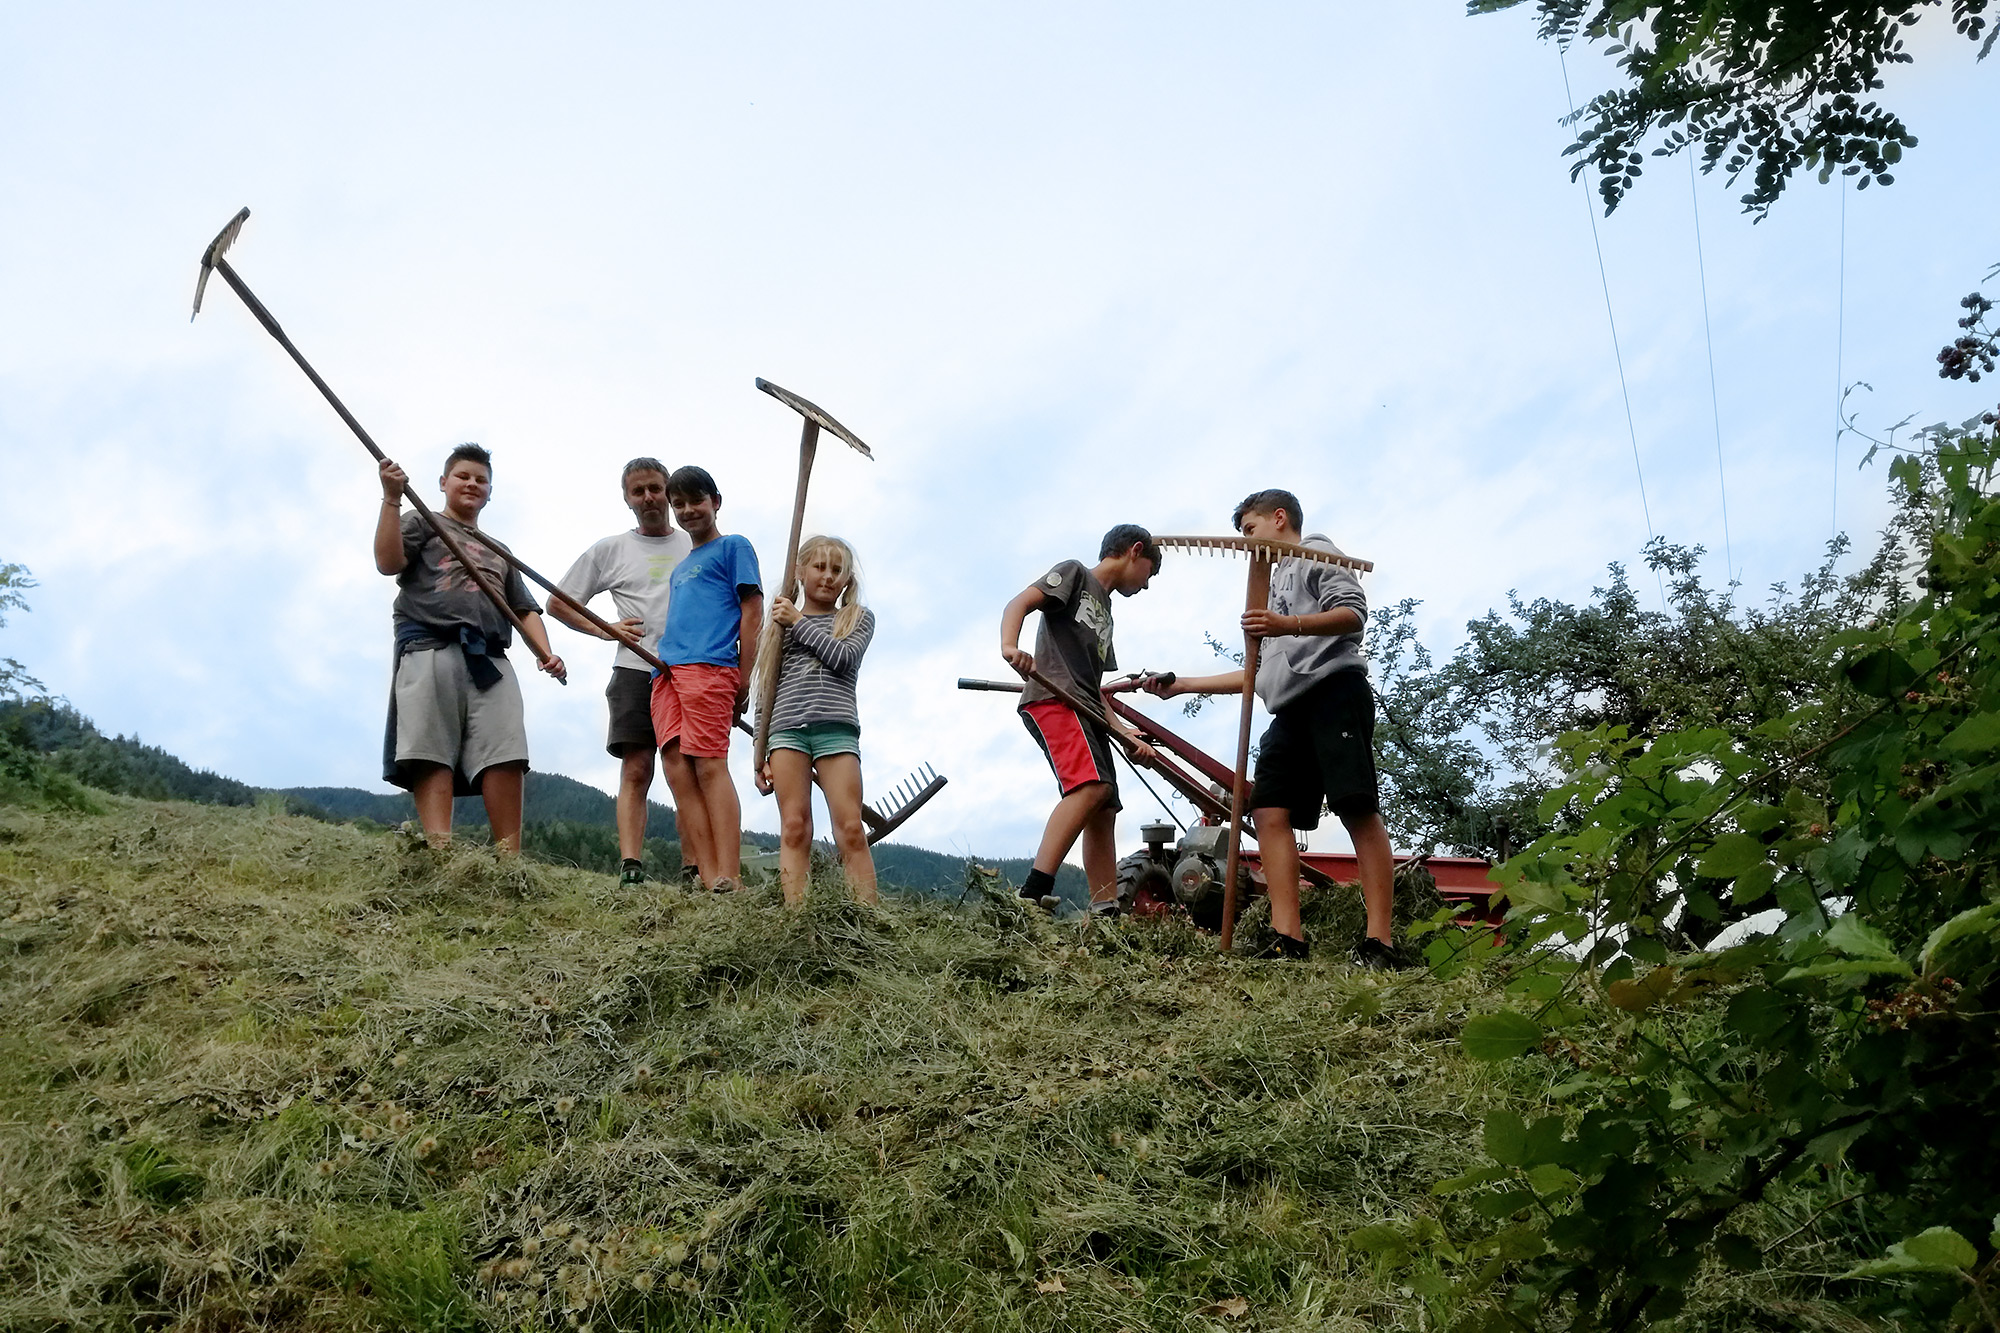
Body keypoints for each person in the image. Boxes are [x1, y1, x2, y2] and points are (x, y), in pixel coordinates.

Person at [1145, 489, 1397, 967]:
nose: (1245, 540)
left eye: (1250, 529)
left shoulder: (1314, 553)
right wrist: (1183, 685)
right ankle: (1288, 937)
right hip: (1289, 710)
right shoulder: (1274, 579)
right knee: (1268, 811)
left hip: (1334, 692)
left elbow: (1353, 614)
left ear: (1279, 518)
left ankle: (1379, 943)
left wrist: (1289, 623)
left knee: (1355, 808)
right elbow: (1256, 675)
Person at [374, 443, 567, 852]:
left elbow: (524, 609)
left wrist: (544, 652)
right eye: (463, 476)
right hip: (430, 645)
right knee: (431, 748)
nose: (472, 484)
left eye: (481, 480)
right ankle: (440, 851)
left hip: (491, 659)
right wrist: (391, 500)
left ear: (490, 493)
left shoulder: (500, 551)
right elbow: (388, 562)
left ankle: (508, 860)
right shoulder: (422, 522)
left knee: (506, 751)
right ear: (443, 483)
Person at [999, 524, 1161, 914]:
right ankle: (1031, 895)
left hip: (1088, 710)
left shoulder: (1106, 615)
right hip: (1055, 700)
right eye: (1149, 573)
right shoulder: (1075, 574)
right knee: (1091, 788)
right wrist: (1010, 647)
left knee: (1103, 807)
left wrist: (1125, 734)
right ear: (1135, 552)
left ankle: (1106, 913)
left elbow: (1096, 689)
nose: (1146, 585)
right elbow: (1018, 603)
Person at [549, 458, 694, 890]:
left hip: (686, 671)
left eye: (655, 488)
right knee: (637, 768)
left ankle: (694, 867)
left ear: (668, 491)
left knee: (685, 770)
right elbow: (558, 602)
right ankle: (631, 865)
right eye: (638, 491)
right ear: (627, 499)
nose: (648, 497)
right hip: (634, 668)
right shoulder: (610, 549)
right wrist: (604, 629)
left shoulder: (693, 544)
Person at [651, 465, 762, 891]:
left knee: (710, 765)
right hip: (666, 673)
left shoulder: (734, 547)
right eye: (678, 503)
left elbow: (752, 611)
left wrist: (745, 676)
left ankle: (730, 875)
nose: (687, 510)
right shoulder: (681, 569)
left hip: (711, 667)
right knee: (678, 770)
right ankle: (707, 874)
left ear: (715, 501)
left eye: (696, 500)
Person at [752, 536, 878, 907]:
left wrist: (798, 621)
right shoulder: (777, 625)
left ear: (846, 579)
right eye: (819, 567)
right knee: (794, 827)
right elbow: (766, 690)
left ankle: (868, 920)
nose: (827, 576)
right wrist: (758, 753)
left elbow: (843, 658)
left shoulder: (856, 618)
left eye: (836, 570)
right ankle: (797, 918)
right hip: (786, 733)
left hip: (836, 731)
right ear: (800, 571)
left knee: (851, 828)